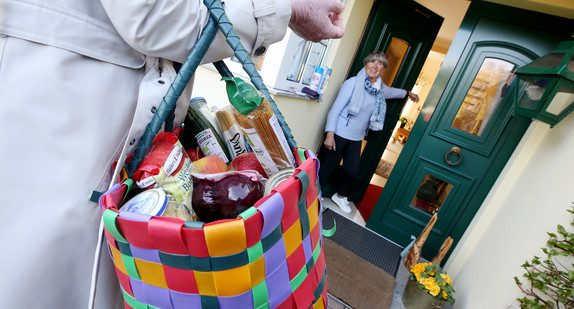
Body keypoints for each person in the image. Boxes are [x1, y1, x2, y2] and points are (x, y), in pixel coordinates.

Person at [0, 0, 344, 308]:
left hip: (97, 121)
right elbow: (151, 15)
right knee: (47, 274)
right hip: (73, 117)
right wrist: (287, 9)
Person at [319, 51, 419, 213]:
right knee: (329, 165)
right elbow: (335, 109)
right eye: (372, 62)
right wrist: (330, 134)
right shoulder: (352, 83)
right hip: (339, 132)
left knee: (351, 170)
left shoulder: (379, 89)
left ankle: (341, 196)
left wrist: (408, 93)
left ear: (382, 69)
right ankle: (315, 195)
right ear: (366, 64)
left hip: (356, 136)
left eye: (380, 64)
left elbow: (392, 92)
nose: (375, 66)